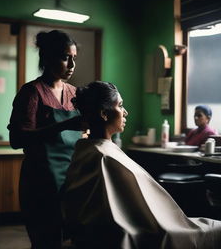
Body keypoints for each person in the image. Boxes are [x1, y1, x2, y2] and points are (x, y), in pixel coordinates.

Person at [61, 81, 221, 249]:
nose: (125, 112)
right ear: (104, 114)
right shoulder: (103, 157)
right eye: (120, 105)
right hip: (152, 230)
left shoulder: (89, 151)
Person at [7, 30, 87, 249]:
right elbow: (17, 139)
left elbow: (84, 132)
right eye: (65, 57)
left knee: (71, 239)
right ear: (48, 58)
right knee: (46, 241)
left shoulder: (75, 94)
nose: (71, 64)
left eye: (74, 58)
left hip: (70, 180)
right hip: (40, 182)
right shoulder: (32, 93)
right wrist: (64, 125)